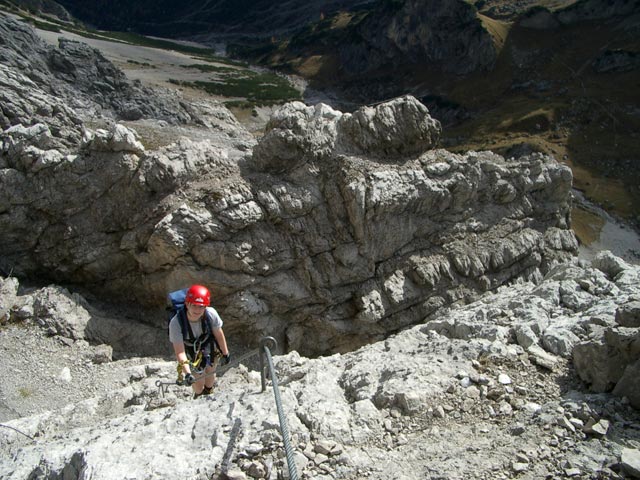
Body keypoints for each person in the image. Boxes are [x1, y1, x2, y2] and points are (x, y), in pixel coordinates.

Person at [168, 284, 230, 398]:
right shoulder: (176, 323)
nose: (197, 310)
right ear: (187, 304)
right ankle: (199, 394)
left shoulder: (210, 314)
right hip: (191, 350)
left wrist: (225, 353)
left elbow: (219, 334)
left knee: (211, 370)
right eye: (194, 305)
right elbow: (180, 352)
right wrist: (187, 374)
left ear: (206, 307)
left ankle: (209, 391)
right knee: (198, 383)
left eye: (201, 307)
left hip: (208, 344)